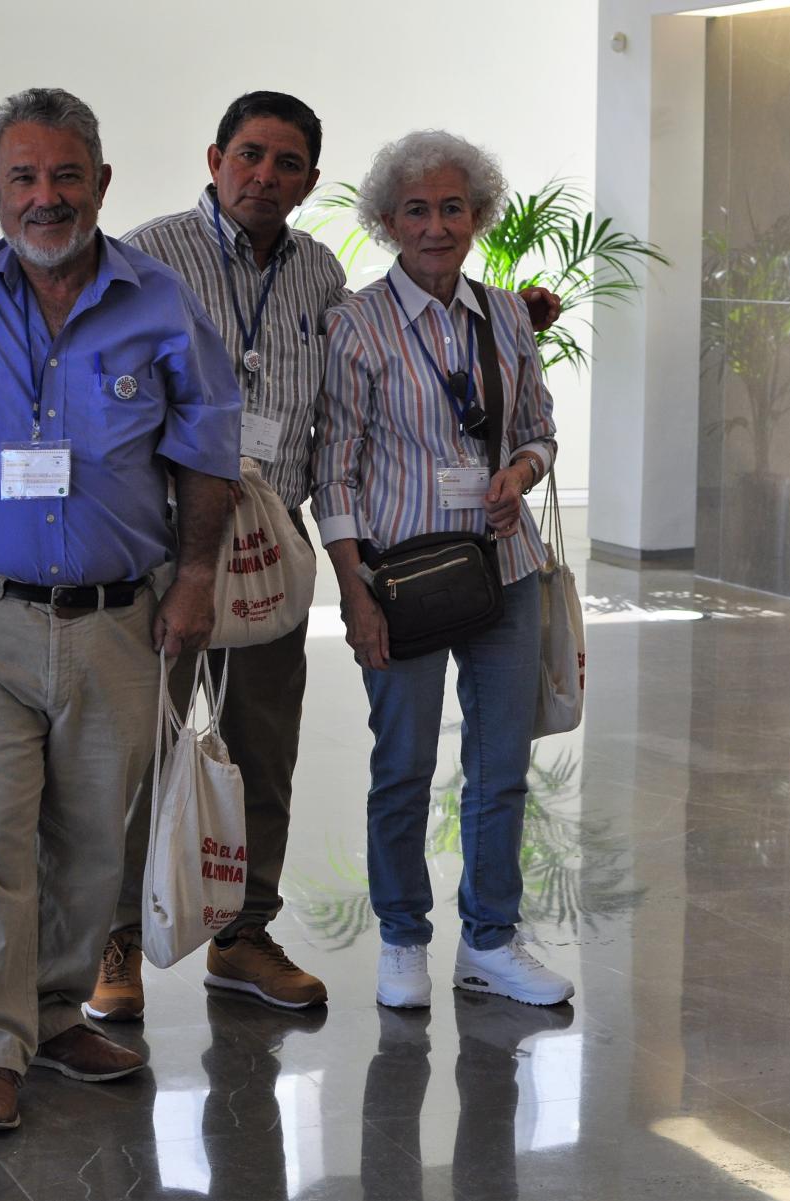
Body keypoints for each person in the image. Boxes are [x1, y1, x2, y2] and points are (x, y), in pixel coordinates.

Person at [89, 95, 561, 1021]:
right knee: (143, 745)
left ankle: (243, 934)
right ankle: (115, 938)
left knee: (265, 750)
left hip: (274, 541)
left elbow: (391, 410)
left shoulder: (318, 277)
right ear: (216, 155)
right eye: (251, 156)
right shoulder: (149, 253)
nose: (266, 175)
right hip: (167, 538)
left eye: (289, 162)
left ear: (311, 180)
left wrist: (520, 341)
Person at [0, 88, 241, 1130]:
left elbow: (207, 447)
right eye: (23, 178)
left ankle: (56, 1005)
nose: (45, 198)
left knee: (90, 836)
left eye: (65, 176)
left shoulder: (159, 299)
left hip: (118, 618)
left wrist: (197, 575)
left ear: (101, 184)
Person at [315, 130, 573, 1010]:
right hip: (406, 582)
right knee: (405, 766)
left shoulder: (505, 314)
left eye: (452, 207)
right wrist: (354, 591)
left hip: (505, 571)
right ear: (387, 221)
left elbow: (539, 426)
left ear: (478, 216)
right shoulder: (355, 326)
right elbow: (334, 471)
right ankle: (401, 934)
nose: (436, 226)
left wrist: (520, 473)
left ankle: (490, 941)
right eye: (417, 210)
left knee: (500, 767)